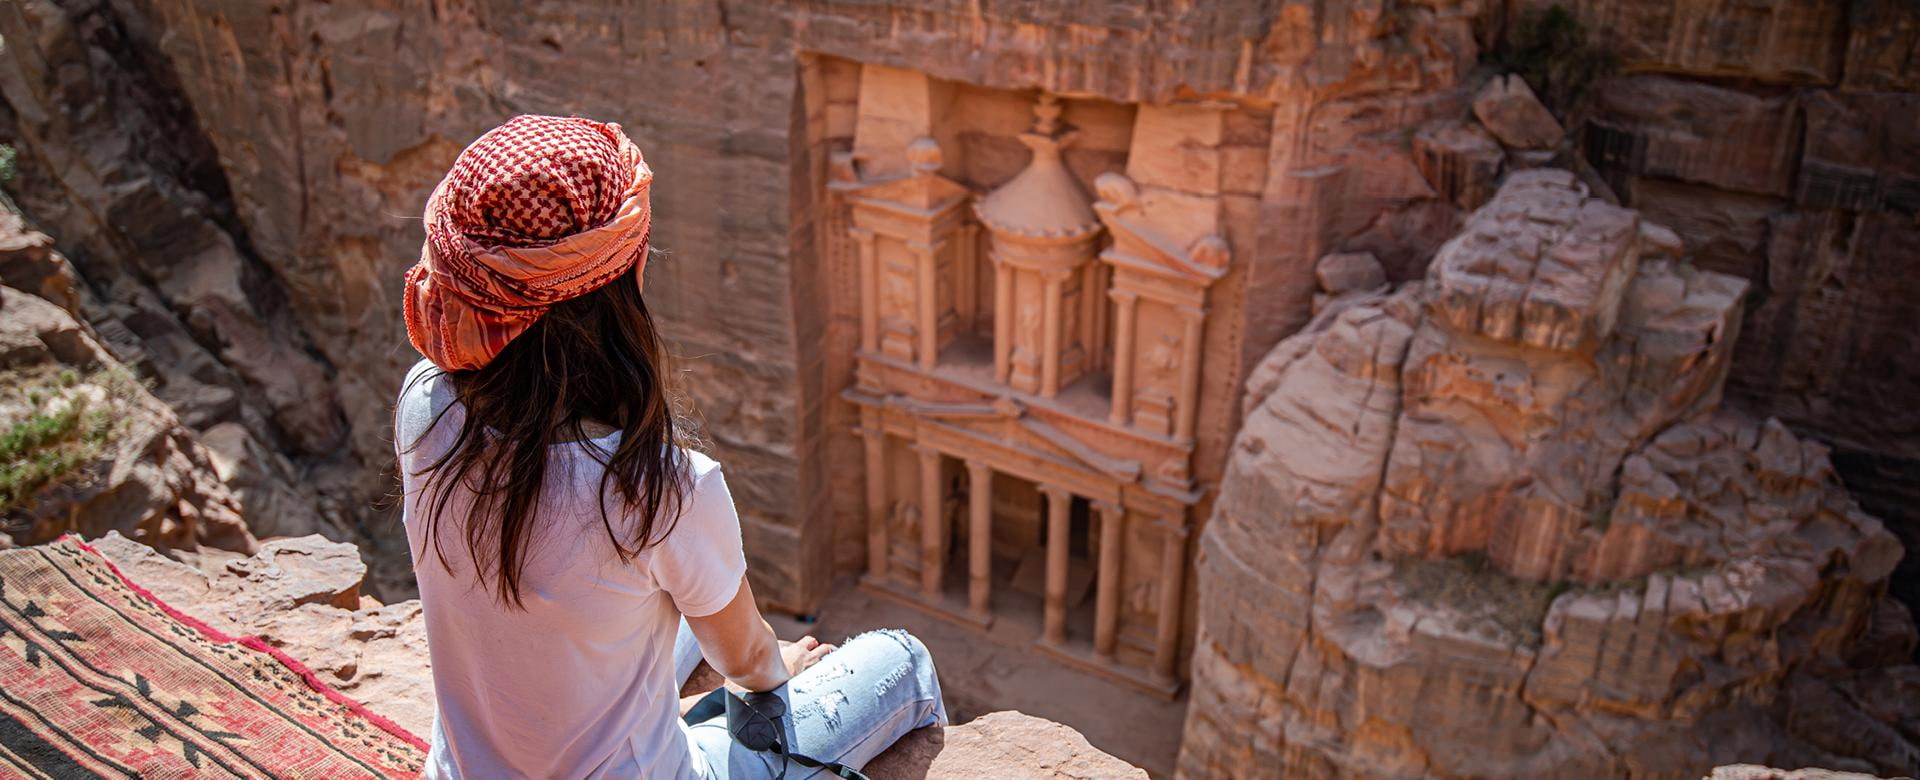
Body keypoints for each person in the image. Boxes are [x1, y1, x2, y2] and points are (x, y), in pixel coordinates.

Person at [393, 114, 946, 779]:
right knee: (902, 658)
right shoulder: (661, 486)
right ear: (620, 284)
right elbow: (751, 663)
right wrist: (782, 671)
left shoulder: (424, 406)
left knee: (647, 606)